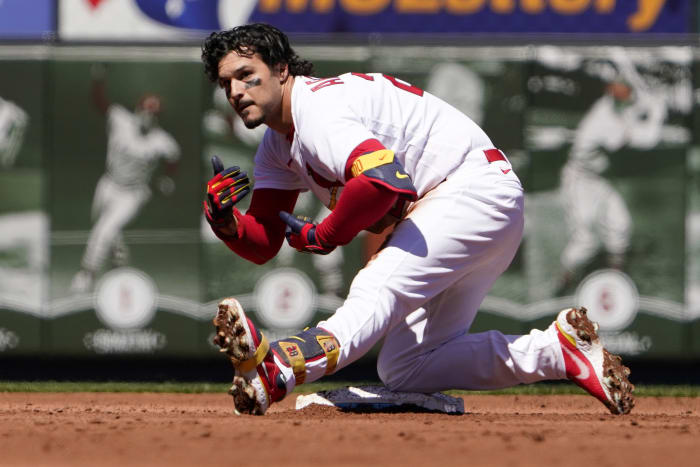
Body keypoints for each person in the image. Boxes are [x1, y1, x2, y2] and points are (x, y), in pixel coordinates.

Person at [201, 23, 634, 416]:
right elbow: (262, 243)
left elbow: (384, 181)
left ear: (280, 69)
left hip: (468, 190)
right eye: (226, 84)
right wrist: (225, 221)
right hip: (476, 203)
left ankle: (277, 370)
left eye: (245, 74)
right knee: (408, 367)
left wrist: (325, 233)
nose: (236, 91)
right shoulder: (279, 145)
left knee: (375, 288)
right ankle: (558, 353)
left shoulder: (317, 110)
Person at [557, 56, 666, 293]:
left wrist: (644, 95)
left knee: (620, 225)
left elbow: (633, 101)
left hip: (601, 179)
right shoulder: (603, 121)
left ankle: (617, 281)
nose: (627, 99)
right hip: (580, 180)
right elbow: (647, 140)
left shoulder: (613, 103)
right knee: (585, 241)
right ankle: (564, 283)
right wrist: (657, 113)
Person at [70, 65, 180, 293]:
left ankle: (86, 274)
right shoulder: (120, 119)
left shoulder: (162, 140)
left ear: (158, 118)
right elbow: (99, 102)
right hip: (108, 184)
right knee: (107, 231)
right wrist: (98, 80)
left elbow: (173, 159)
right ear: (138, 109)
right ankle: (122, 267)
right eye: (146, 111)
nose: (148, 116)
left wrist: (167, 179)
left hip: (133, 193)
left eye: (154, 114)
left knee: (104, 230)